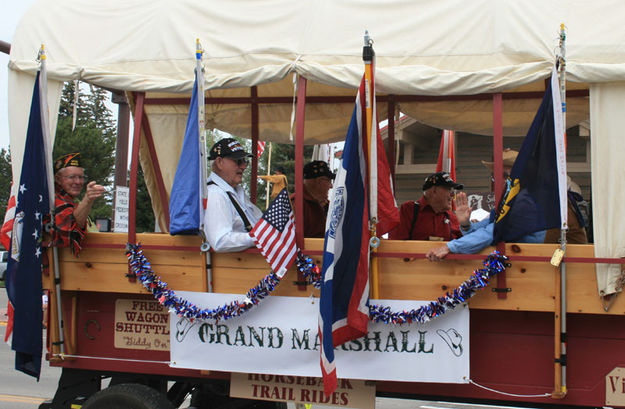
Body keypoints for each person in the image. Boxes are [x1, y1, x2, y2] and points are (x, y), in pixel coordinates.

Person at [426, 149, 545, 261]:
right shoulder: (508, 203)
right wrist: (465, 224)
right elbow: (482, 229)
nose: (498, 181)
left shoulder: (525, 202)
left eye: (504, 175)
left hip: (524, 268)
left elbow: (492, 232)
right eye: (495, 177)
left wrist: (449, 247)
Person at [203, 138, 263, 252]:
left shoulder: (236, 191)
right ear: (220, 162)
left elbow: (259, 222)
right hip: (236, 266)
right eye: (238, 161)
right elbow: (220, 241)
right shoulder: (215, 194)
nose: (244, 166)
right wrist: (259, 237)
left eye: (245, 161)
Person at [51, 152, 105, 255]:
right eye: (72, 177)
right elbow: (70, 235)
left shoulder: (74, 202)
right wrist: (88, 200)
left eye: (81, 177)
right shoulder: (54, 202)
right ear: (58, 179)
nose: (78, 182)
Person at [389, 171, 463, 241]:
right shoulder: (409, 210)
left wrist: (468, 226)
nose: (453, 195)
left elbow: (466, 245)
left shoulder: (452, 217)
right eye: (449, 190)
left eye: (453, 191)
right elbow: (394, 244)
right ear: (434, 191)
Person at [291, 160, 334, 238]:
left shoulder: (326, 205)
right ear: (319, 181)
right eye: (329, 181)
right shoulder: (295, 205)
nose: (331, 186)